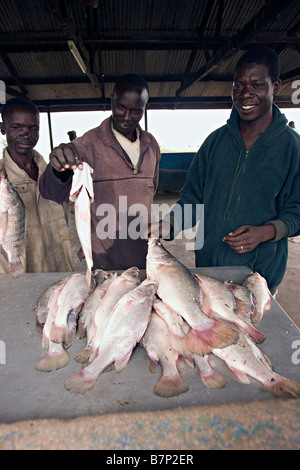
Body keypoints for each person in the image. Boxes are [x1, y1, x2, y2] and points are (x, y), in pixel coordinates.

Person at [150, 46, 300, 295]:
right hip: (209, 273)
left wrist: (265, 232)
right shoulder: (214, 143)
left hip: (259, 277)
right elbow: (192, 198)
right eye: (238, 85)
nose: (245, 94)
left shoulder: (292, 148)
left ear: (277, 86)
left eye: (257, 85)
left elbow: (297, 211)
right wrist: (171, 223)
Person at [39, 74, 161, 271]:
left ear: (146, 106)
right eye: (120, 107)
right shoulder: (87, 144)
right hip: (103, 260)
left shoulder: (151, 145)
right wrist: (58, 168)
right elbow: (50, 193)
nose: (127, 118)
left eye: (136, 111)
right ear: (111, 99)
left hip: (144, 255)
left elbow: (152, 191)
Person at [0, 97, 73, 273]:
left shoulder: (54, 172)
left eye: (33, 128)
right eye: (17, 127)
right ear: (3, 129)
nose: (26, 134)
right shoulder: (2, 177)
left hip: (58, 270)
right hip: (15, 278)